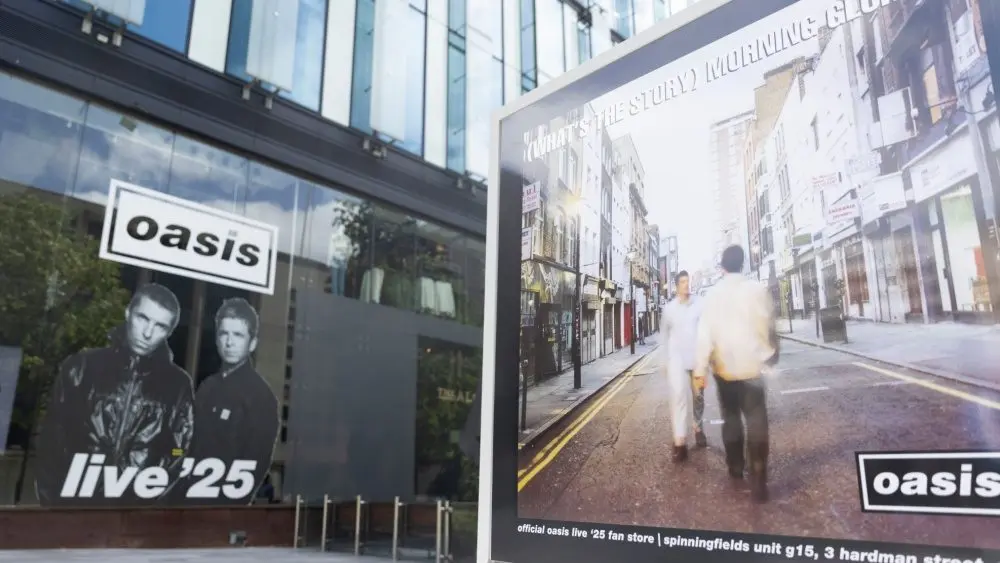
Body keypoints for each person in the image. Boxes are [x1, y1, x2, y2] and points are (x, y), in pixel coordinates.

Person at [34, 283, 195, 506]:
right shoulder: (83, 367)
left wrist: (148, 502)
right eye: (143, 318)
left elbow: (179, 450)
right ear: (128, 313)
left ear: (168, 333)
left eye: (159, 326)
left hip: (135, 514)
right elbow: (52, 438)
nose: (147, 333)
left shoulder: (177, 384)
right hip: (74, 503)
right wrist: (53, 504)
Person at [693, 245, 779, 503]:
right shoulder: (757, 290)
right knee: (756, 420)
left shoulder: (712, 296)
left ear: (722, 267)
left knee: (731, 418)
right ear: (742, 263)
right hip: (752, 366)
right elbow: (768, 323)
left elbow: (704, 335)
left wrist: (700, 370)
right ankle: (759, 472)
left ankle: (735, 467)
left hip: (725, 369)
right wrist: (769, 353)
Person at [182, 297, 278, 505]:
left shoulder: (261, 396)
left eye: (238, 335)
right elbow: (189, 442)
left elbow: (257, 461)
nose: (229, 342)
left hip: (224, 504)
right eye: (224, 333)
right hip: (189, 497)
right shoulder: (207, 387)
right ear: (216, 338)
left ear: (252, 343)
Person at [662, 270, 705, 463]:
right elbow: (664, 337)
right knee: (679, 398)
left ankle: (697, 426)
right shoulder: (669, 309)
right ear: (677, 285)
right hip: (677, 361)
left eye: (688, 281)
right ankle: (680, 443)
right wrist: (665, 360)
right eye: (683, 282)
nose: (686, 285)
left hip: (696, 360)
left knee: (698, 397)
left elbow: (705, 332)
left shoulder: (699, 305)